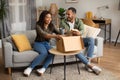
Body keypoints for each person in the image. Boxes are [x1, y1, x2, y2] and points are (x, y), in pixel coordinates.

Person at [60, 7, 102, 75]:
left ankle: (88, 61)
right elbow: (62, 32)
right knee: (75, 50)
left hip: (78, 39)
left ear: (74, 14)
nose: (67, 16)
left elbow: (82, 30)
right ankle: (90, 65)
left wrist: (79, 33)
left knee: (91, 39)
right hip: (69, 41)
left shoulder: (79, 21)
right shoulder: (63, 22)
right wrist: (69, 32)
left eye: (68, 14)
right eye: (66, 14)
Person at [23, 10, 61, 76]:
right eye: (47, 17)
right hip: (38, 43)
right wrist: (55, 36)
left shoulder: (52, 25)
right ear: (43, 17)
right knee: (44, 53)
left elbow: (59, 33)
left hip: (46, 44)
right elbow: (44, 35)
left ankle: (43, 69)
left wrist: (66, 32)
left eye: (50, 17)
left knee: (52, 53)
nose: (49, 19)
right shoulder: (38, 25)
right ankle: (30, 68)